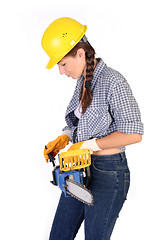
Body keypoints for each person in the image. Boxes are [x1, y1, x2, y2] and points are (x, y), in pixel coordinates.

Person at [42, 17, 144, 240]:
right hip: (80, 169)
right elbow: (82, 122)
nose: (61, 71)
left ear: (79, 53)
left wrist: (88, 144)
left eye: (63, 64)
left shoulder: (113, 81)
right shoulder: (83, 80)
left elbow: (134, 133)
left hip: (108, 173)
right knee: (59, 236)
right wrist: (64, 137)